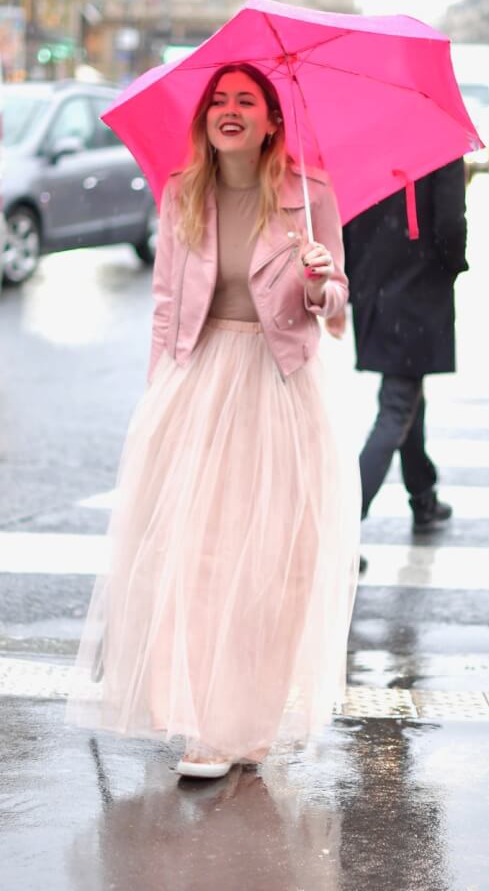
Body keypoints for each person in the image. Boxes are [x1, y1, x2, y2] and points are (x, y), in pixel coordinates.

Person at [67, 63, 359, 779]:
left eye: (246, 101)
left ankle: (248, 723)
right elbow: (167, 303)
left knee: (271, 566)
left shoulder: (310, 194)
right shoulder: (181, 193)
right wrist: (156, 400)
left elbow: (339, 313)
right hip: (198, 385)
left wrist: (323, 281)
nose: (229, 111)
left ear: (271, 121)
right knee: (196, 557)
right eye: (218, 101)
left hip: (279, 383)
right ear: (203, 120)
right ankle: (203, 724)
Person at [328, 157, 468, 541]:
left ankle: (423, 495)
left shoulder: (371, 144)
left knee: (406, 394)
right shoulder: (440, 146)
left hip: (376, 287)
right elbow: (450, 225)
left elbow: (345, 218)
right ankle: (341, 529)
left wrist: (354, 284)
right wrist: (453, 266)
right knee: (397, 406)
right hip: (419, 290)